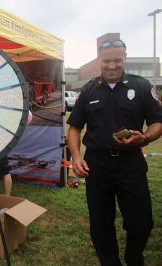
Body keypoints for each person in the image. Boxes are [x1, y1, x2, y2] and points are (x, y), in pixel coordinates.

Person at [67, 39, 162, 266]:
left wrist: (146, 136)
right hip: (97, 165)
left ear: (125, 59)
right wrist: (76, 157)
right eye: (107, 61)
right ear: (99, 60)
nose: (112, 66)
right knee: (100, 223)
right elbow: (74, 127)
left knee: (142, 222)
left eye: (117, 60)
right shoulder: (88, 89)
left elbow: (158, 121)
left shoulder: (139, 86)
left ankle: (133, 258)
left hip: (131, 162)